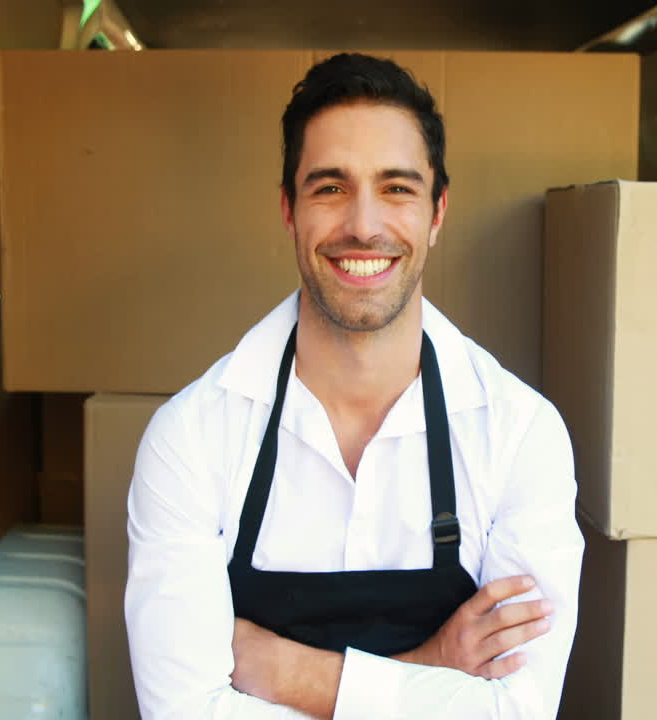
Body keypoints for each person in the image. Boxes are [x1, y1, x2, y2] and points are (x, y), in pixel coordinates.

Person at [125, 52, 583, 719]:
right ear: (288, 208)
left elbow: (520, 709)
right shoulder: (191, 437)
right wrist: (432, 667)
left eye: (396, 188)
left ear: (437, 212)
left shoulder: (519, 435)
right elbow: (183, 712)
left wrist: (275, 667)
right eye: (330, 187)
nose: (364, 225)